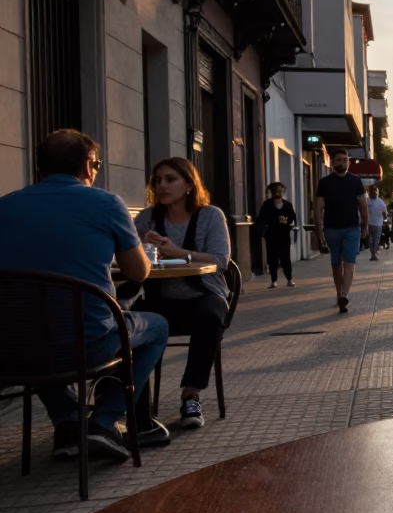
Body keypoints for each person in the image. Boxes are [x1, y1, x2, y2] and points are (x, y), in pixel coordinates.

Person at [0, 130, 168, 459]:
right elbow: (139, 272)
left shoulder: (5, 206)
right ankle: (103, 422)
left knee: (39, 333)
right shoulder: (105, 203)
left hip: (12, 349)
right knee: (156, 326)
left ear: (40, 168)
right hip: (87, 344)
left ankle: (68, 422)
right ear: (89, 166)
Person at [132, 157, 232, 430]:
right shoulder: (147, 218)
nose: (162, 186)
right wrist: (140, 248)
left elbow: (220, 259)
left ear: (189, 184)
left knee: (210, 316)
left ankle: (191, 395)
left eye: (170, 179)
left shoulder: (210, 215)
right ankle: (135, 409)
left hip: (204, 296)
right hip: (159, 300)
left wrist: (178, 253)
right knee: (125, 323)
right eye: (158, 180)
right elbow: (128, 261)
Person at [314, 148, 368, 313]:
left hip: (352, 228)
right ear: (332, 162)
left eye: (345, 160)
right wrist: (320, 234)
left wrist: (365, 225)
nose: (342, 163)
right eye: (339, 160)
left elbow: (363, 205)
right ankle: (339, 293)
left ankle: (344, 294)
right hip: (331, 229)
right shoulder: (324, 183)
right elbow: (317, 209)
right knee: (336, 264)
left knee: (349, 262)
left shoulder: (356, 181)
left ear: (349, 162)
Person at [258, 181, 297, 288]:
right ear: (272, 191)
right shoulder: (267, 205)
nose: (278, 192)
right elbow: (262, 218)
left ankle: (289, 279)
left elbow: (293, 218)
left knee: (285, 258)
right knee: (272, 258)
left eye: (280, 190)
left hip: (284, 235)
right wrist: (262, 232)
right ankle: (273, 280)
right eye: (275, 190)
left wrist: (287, 221)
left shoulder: (288, 205)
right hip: (271, 235)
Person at [366, 184, 387, 261]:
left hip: (378, 224)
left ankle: (374, 254)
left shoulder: (380, 201)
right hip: (369, 224)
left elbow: (384, 212)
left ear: (377, 193)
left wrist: (385, 219)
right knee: (370, 240)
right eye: (371, 191)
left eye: (375, 191)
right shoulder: (367, 201)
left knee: (376, 240)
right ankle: (372, 254)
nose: (373, 193)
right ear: (369, 192)